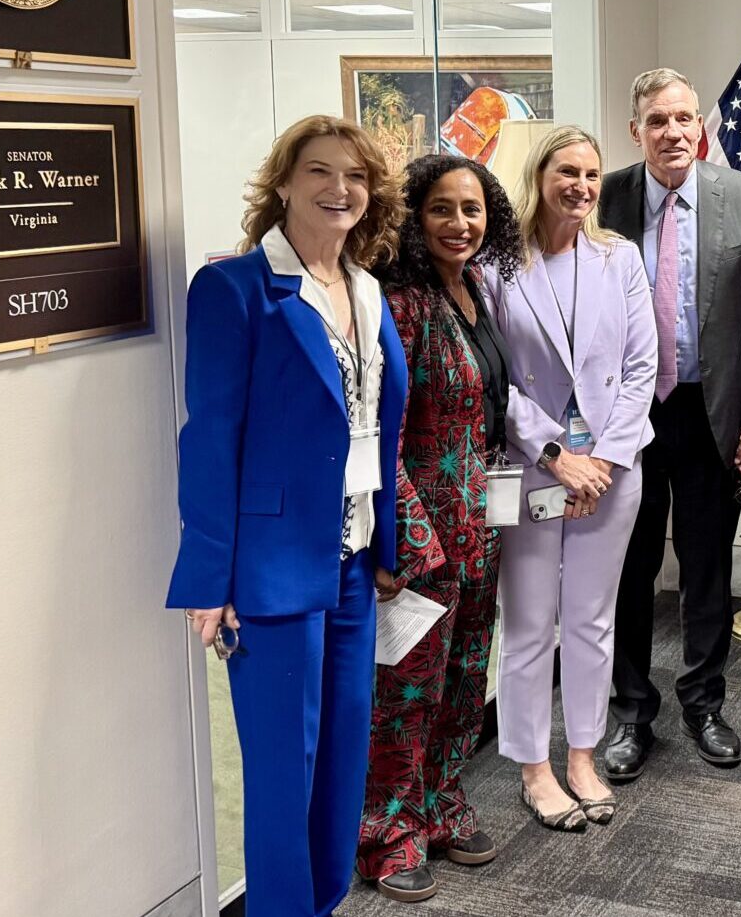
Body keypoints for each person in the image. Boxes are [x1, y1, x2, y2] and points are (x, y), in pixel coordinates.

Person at [167, 115, 414, 917]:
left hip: (350, 556)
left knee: (344, 760)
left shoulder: (370, 290)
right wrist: (212, 578)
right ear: (282, 183)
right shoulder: (236, 288)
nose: (339, 189)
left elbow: (384, 426)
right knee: (282, 772)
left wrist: (387, 544)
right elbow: (209, 439)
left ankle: (323, 901)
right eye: (319, 171)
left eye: (355, 175)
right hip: (271, 567)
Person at [598, 68, 741, 780]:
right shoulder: (605, 196)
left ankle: (705, 702)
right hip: (629, 419)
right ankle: (630, 712)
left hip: (714, 413)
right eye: (657, 120)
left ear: (699, 122)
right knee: (631, 569)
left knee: (708, 568)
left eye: (684, 117)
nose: (673, 132)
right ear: (635, 129)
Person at [357, 154, 524, 900]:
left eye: (474, 209)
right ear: (413, 220)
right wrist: (399, 541)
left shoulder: (476, 288)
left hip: (479, 526)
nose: (461, 224)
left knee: (462, 682)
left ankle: (440, 798)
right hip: (420, 536)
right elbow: (377, 431)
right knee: (404, 692)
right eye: (443, 210)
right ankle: (388, 831)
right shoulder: (402, 302)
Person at [484, 126, 658, 827]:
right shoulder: (497, 265)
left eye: (591, 173)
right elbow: (493, 377)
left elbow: (643, 366)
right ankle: (533, 766)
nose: (582, 186)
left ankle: (582, 753)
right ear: (540, 174)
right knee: (528, 623)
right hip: (529, 470)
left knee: (590, 619)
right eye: (567, 171)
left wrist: (605, 462)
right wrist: (559, 454)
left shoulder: (619, 258)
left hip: (612, 472)